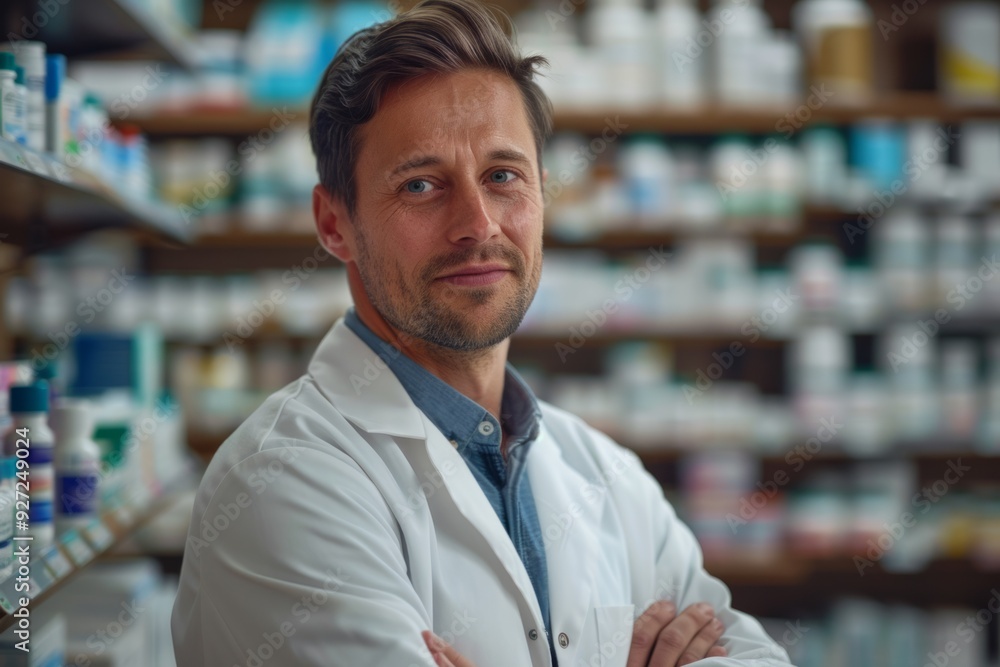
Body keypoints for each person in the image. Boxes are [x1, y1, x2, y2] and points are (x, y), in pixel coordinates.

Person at [170, 1, 795, 665]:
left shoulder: (607, 475)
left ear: (543, 195)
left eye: (502, 176)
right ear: (334, 223)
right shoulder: (280, 481)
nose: (477, 223)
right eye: (420, 184)